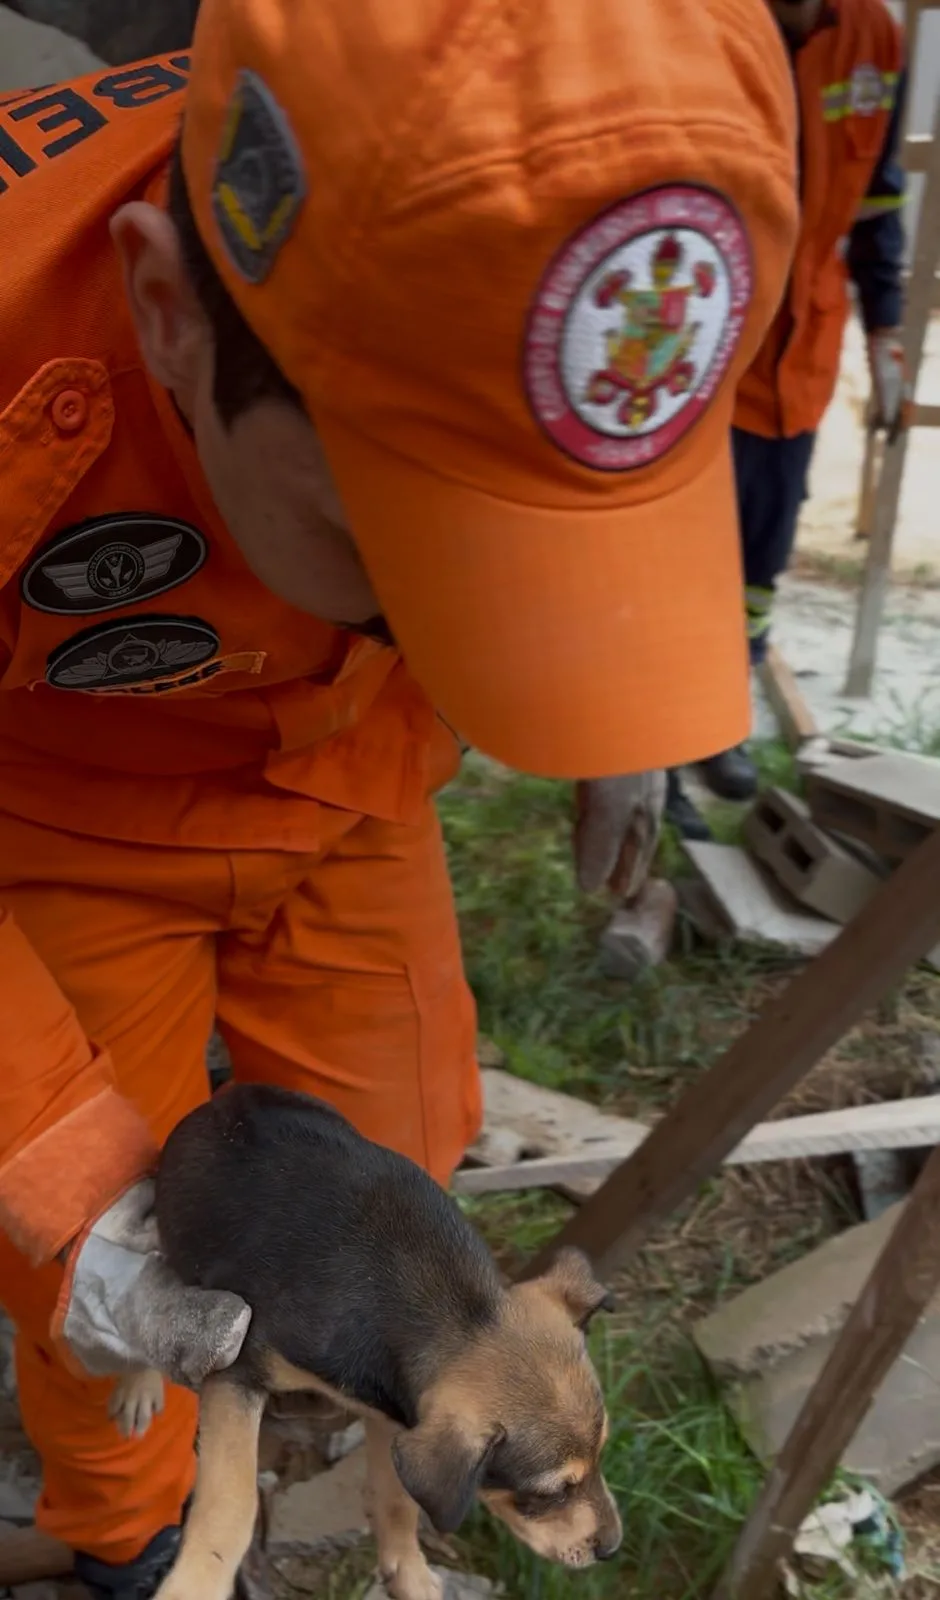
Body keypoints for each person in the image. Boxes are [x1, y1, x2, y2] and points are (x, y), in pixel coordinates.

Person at [0, 0, 797, 1593]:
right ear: (168, 311)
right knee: (107, 1254)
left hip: (352, 782)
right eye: (413, 550)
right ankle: (134, 1538)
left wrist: (605, 651)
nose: (473, 627)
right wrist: (37, 1143)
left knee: (409, 1163)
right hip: (68, 820)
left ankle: (382, 1517)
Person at [665, 0, 908, 840]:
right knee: (677, 566)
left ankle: (716, 720)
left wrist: (886, 328)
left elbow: (878, 199)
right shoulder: (691, 21)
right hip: (693, 350)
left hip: (800, 355)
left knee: (760, 562)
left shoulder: (874, 37)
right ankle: (651, 754)